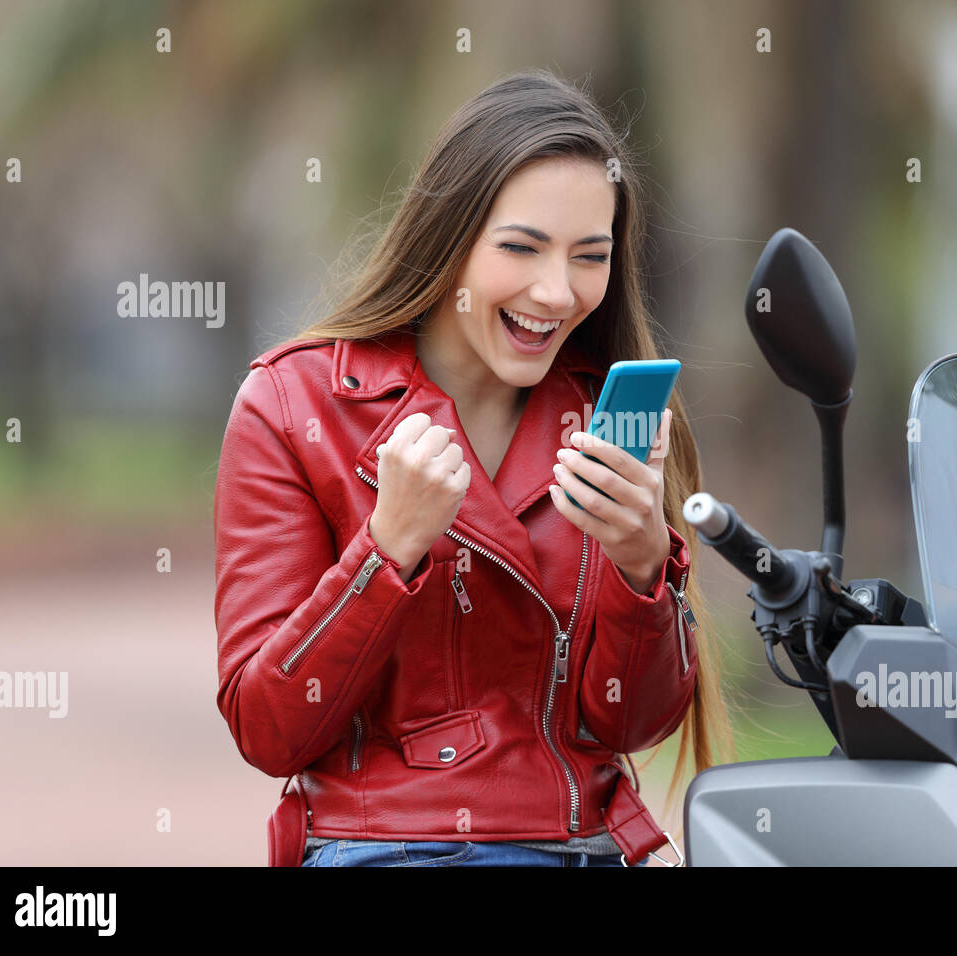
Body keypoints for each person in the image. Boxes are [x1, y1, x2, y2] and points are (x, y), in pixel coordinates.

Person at [213, 67, 733, 867]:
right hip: (382, 848)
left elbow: (634, 725)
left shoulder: (610, 412)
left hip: (582, 847)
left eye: (589, 257)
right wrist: (386, 551)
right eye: (521, 248)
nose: (556, 293)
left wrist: (640, 567)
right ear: (449, 238)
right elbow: (270, 727)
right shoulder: (293, 406)